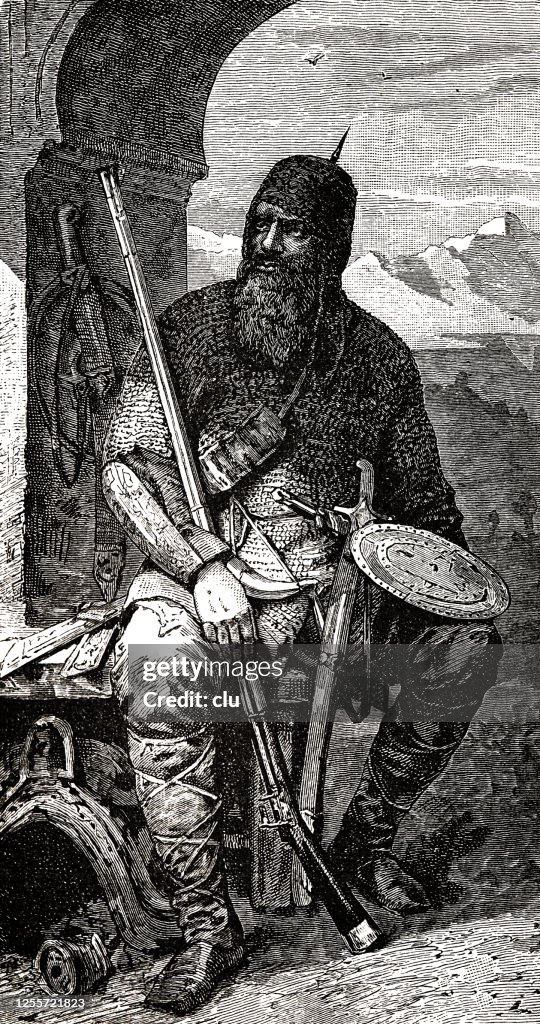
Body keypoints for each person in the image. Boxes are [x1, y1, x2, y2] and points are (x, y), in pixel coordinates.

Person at [102, 152, 500, 1014]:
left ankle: (360, 845)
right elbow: (123, 471)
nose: (268, 246)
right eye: (259, 225)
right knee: (158, 679)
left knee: (468, 649)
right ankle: (209, 927)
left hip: (329, 601)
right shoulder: (196, 328)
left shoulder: (380, 362)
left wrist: (438, 583)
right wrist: (201, 564)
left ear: (335, 249)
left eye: (294, 231)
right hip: (197, 584)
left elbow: (425, 510)